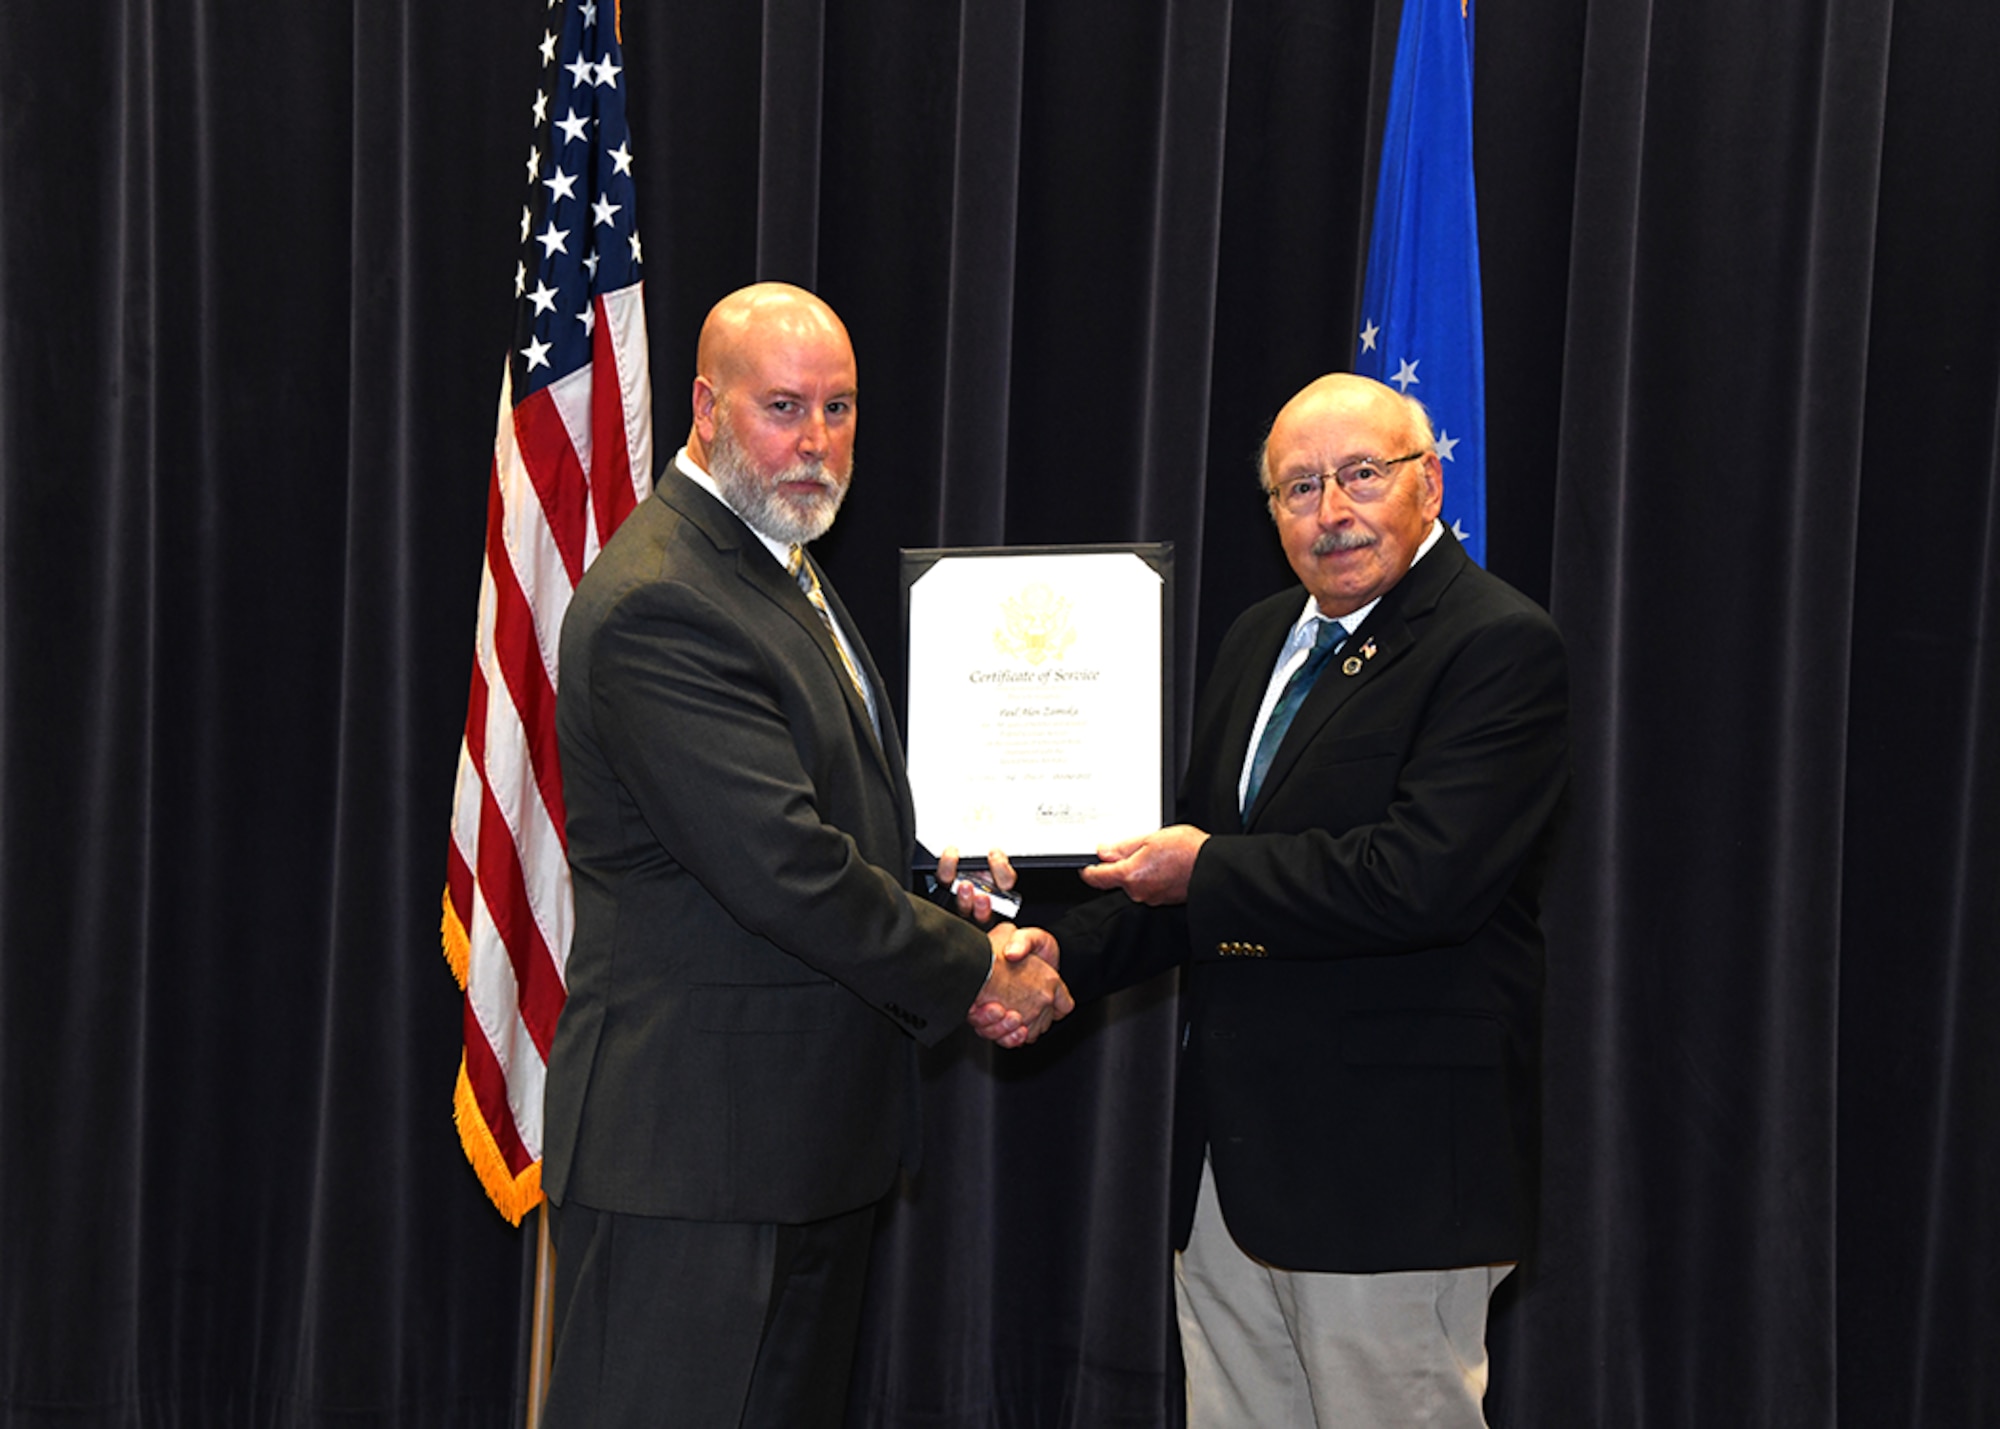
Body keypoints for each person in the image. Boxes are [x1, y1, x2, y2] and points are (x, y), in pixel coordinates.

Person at [538, 281, 1071, 1428]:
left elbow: (829, 813)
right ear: (704, 406)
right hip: (691, 1163)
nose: (815, 442)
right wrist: (977, 971)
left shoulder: (771, 560)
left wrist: (946, 889)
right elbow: (783, 864)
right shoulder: (663, 599)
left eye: (839, 409)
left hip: (796, 1151)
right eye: (783, 407)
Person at [1042, 372, 1569, 1427]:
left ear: (1427, 483)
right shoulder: (1256, 640)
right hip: (1232, 1176)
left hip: (1391, 1181)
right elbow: (1187, 872)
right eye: (1297, 487)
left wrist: (1200, 871)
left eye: (1360, 475)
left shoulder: (1494, 645)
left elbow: (1419, 880)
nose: (1330, 511)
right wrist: (1036, 952)